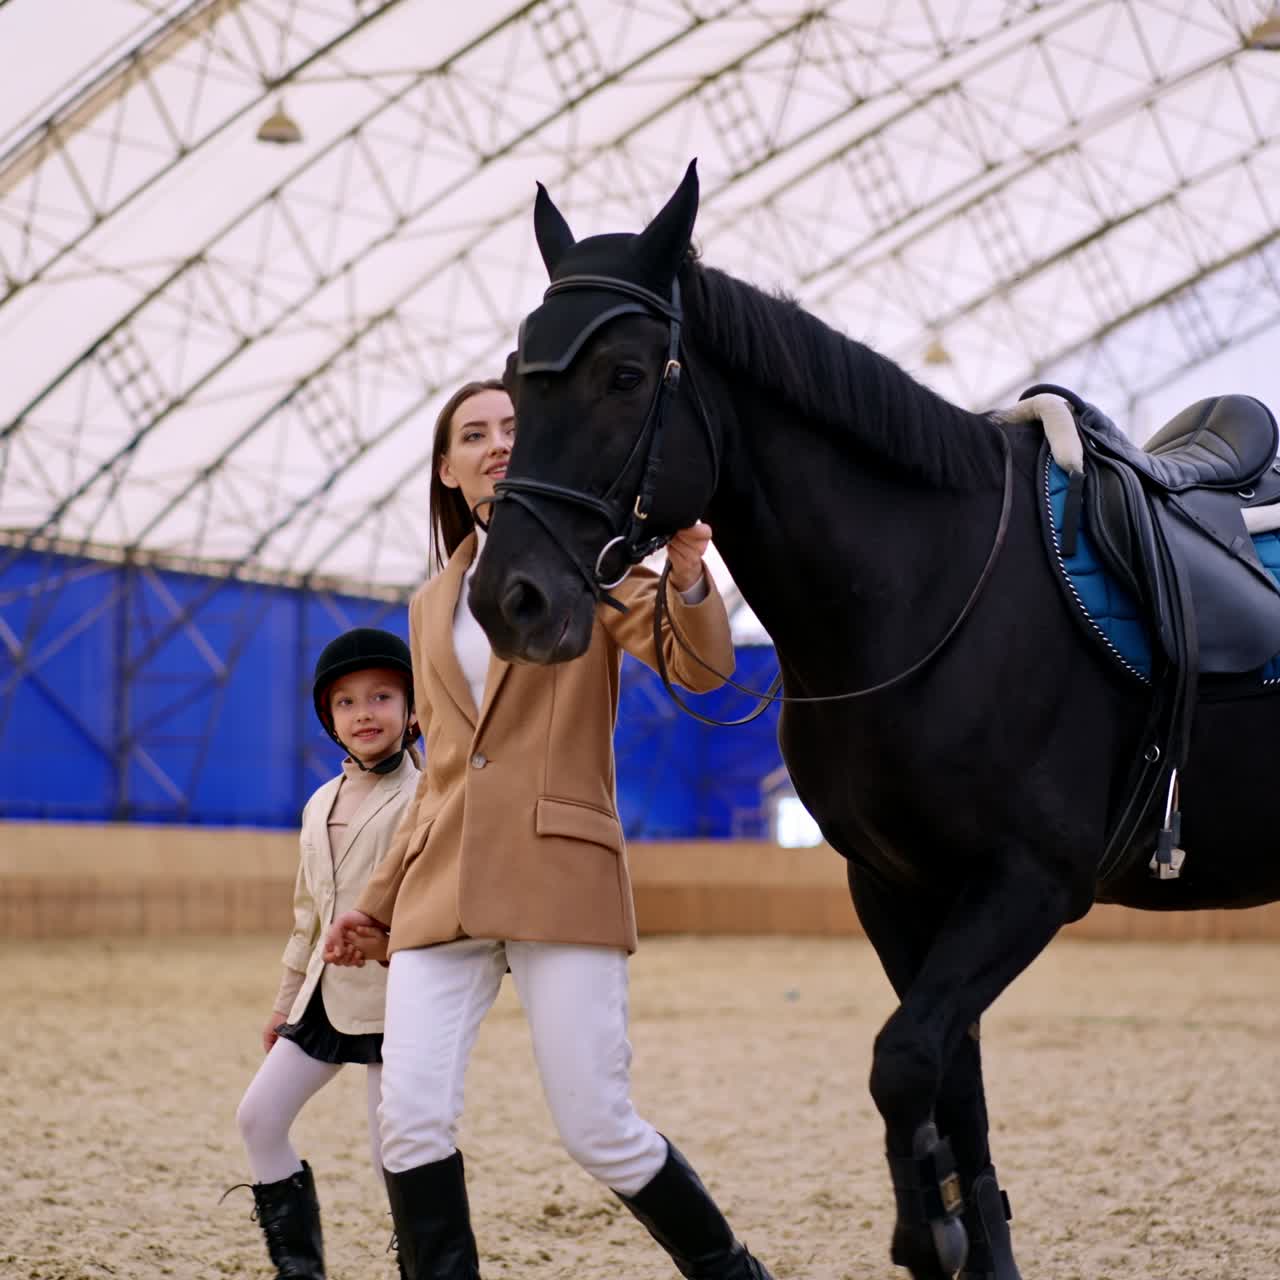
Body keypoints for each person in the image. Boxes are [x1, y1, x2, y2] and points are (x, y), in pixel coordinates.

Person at [323, 377, 774, 1280]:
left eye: (512, 429)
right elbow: (441, 771)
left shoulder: (590, 559)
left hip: (559, 872)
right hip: (441, 884)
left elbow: (697, 668)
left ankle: (734, 1274)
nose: (497, 444)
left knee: (598, 1128)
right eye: (474, 434)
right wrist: (375, 901)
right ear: (447, 470)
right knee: (408, 1121)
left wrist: (688, 578)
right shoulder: (428, 605)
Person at [231, 627, 421, 1279]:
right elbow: (306, 917)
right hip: (320, 997)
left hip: (398, 1000)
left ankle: (423, 1264)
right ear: (329, 719)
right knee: (258, 1118)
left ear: (413, 710)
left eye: (381, 697)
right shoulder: (318, 804)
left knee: (393, 1155)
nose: (363, 713)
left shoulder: (429, 796)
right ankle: (299, 1270)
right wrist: (284, 1005)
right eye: (345, 702)